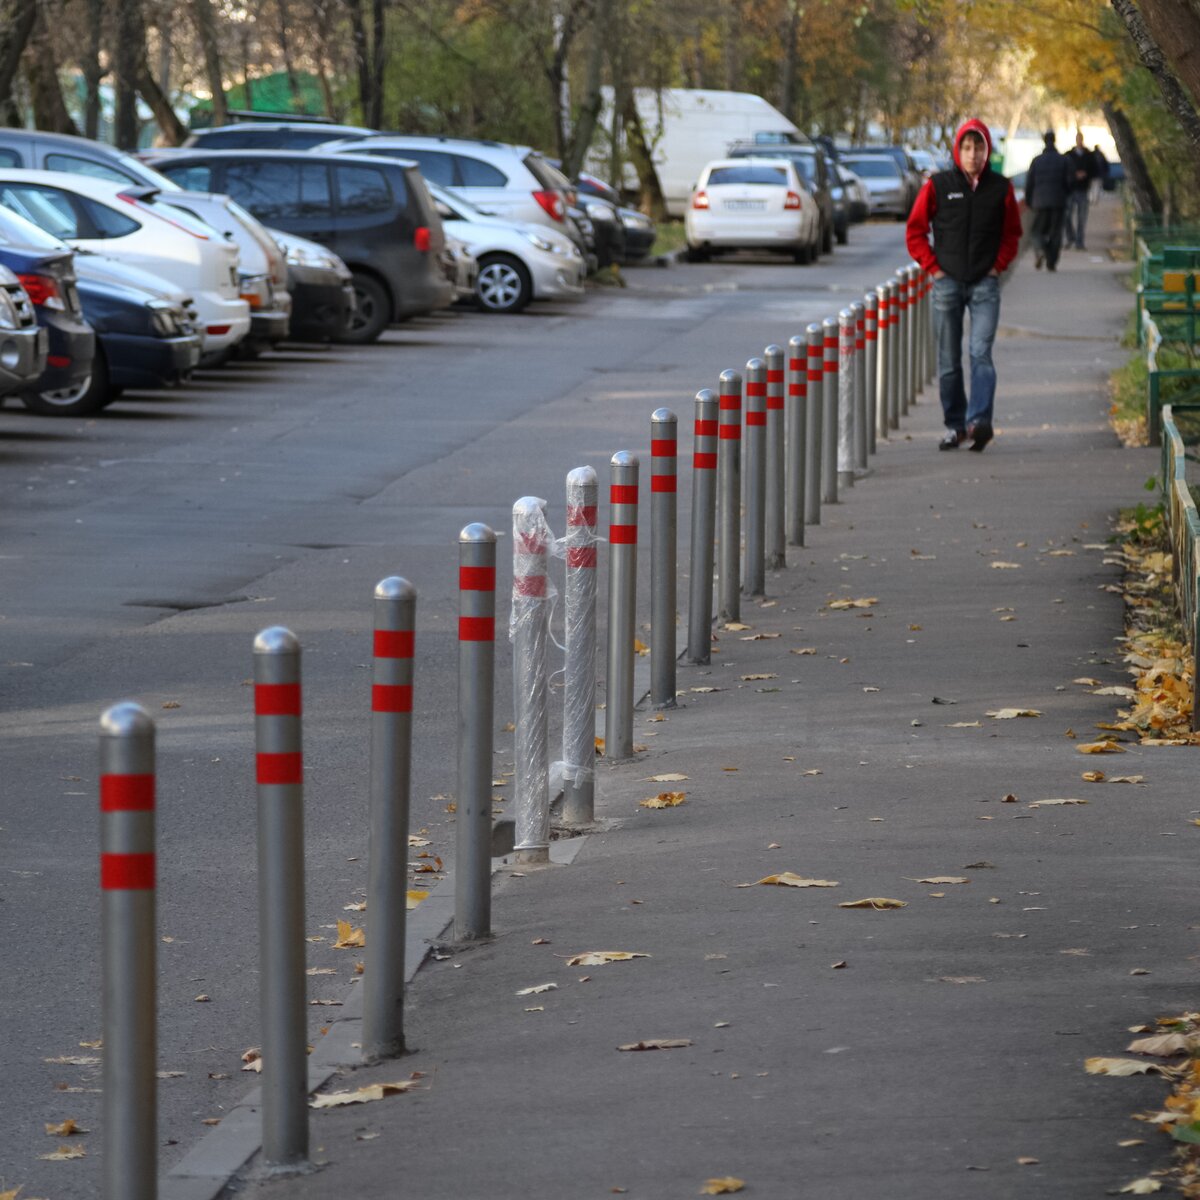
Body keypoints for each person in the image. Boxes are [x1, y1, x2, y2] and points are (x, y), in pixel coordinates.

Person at [906, 118, 1022, 452]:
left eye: (979, 147)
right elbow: (915, 231)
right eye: (967, 147)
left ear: (987, 150)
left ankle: (979, 422)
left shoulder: (1001, 188)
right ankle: (955, 426)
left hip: (985, 283)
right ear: (958, 150)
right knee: (948, 359)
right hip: (947, 283)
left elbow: (1012, 234)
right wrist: (933, 268)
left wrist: (997, 267)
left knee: (980, 352)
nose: (973, 154)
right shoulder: (939, 185)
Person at [1024, 130, 1070, 272]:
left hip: (1040, 201)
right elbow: (1070, 181)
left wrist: (1029, 200)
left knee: (1036, 231)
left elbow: (1029, 183)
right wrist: (1064, 194)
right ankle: (1052, 262)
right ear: (1054, 141)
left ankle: (1042, 248)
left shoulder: (1037, 161)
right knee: (1056, 232)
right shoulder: (1063, 160)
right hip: (1058, 200)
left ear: (1044, 141)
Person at [1063, 131, 1097, 249]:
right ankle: (1070, 237)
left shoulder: (1089, 155)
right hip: (1070, 189)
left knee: (1082, 217)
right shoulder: (1068, 155)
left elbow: (1095, 170)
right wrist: (1074, 175)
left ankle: (1079, 241)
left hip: (1083, 189)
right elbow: (1064, 171)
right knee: (1066, 215)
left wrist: (1086, 174)